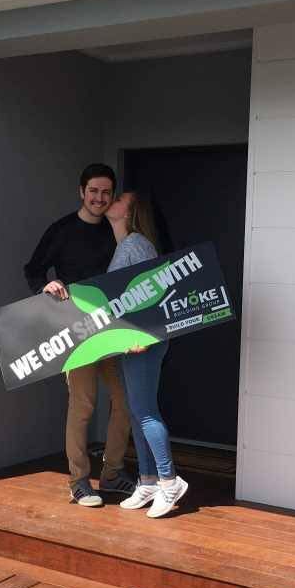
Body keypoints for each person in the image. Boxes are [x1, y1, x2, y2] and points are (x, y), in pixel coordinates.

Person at [24, 164, 134, 508]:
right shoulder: (61, 230)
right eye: (93, 191)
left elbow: (130, 268)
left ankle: (113, 473)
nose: (99, 198)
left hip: (114, 329)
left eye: (106, 192)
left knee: (126, 402)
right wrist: (46, 284)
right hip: (77, 331)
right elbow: (33, 268)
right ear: (81, 191)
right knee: (82, 405)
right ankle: (79, 482)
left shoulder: (117, 231)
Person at [105, 191, 188, 518]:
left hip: (142, 342)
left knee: (145, 411)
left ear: (132, 210)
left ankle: (170, 481)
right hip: (131, 341)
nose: (113, 199)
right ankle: (149, 480)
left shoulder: (135, 244)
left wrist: (143, 334)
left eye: (120, 198)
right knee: (137, 411)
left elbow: (153, 291)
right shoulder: (126, 244)